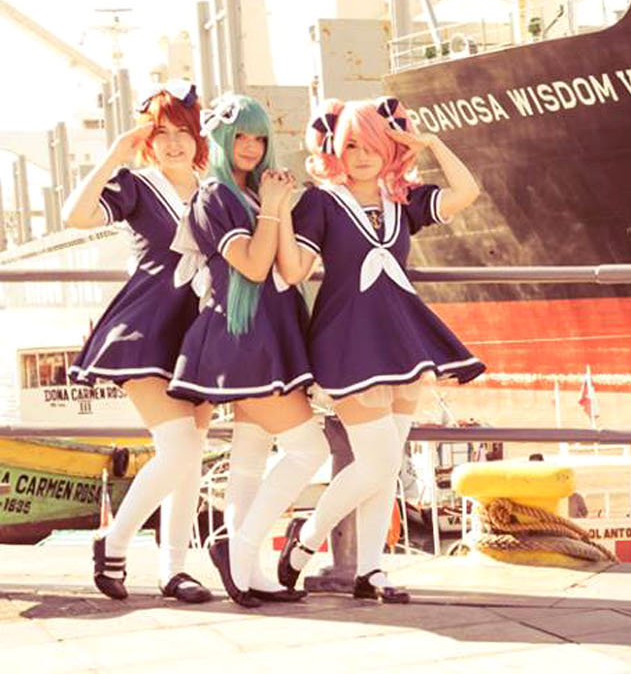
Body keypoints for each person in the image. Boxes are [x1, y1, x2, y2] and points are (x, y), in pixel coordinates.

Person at [274, 96, 484, 603]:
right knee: (379, 461)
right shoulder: (321, 203)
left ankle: (370, 570)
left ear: (389, 147)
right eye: (351, 145)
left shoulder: (402, 201)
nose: (363, 155)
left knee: (386, 463)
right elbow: (294, 270)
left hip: (402, 341)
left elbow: (467, 192)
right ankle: (306, 539)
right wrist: (278, 213)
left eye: (372, 144)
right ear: (335, 151)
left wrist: (429, 143)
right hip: (347, 340)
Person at [168, 93, 329, 607]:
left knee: (250, 459)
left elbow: (287, 269)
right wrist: (277, 207)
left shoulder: (251, 195)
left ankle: (249, 571)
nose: (252, 147)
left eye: (260, 138)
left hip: (269, 333)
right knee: (311, 450)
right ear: (219, 138)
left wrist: (276, 205)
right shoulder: (215, 196)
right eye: (241, 136)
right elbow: (255, 267)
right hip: (246, 338)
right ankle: (236, 548)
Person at [64, 83, 213, 604]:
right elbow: (76, 216)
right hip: (145, 329)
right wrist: (113, 156)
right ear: (148, 140)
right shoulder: (137, 186)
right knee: (179, 448)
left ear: (198, 138)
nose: (173, 143)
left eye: (183, 132)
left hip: (198, 333)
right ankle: (114, 541)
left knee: (192, 454)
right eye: (162, 132)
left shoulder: (214, 191)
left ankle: (175, 570)